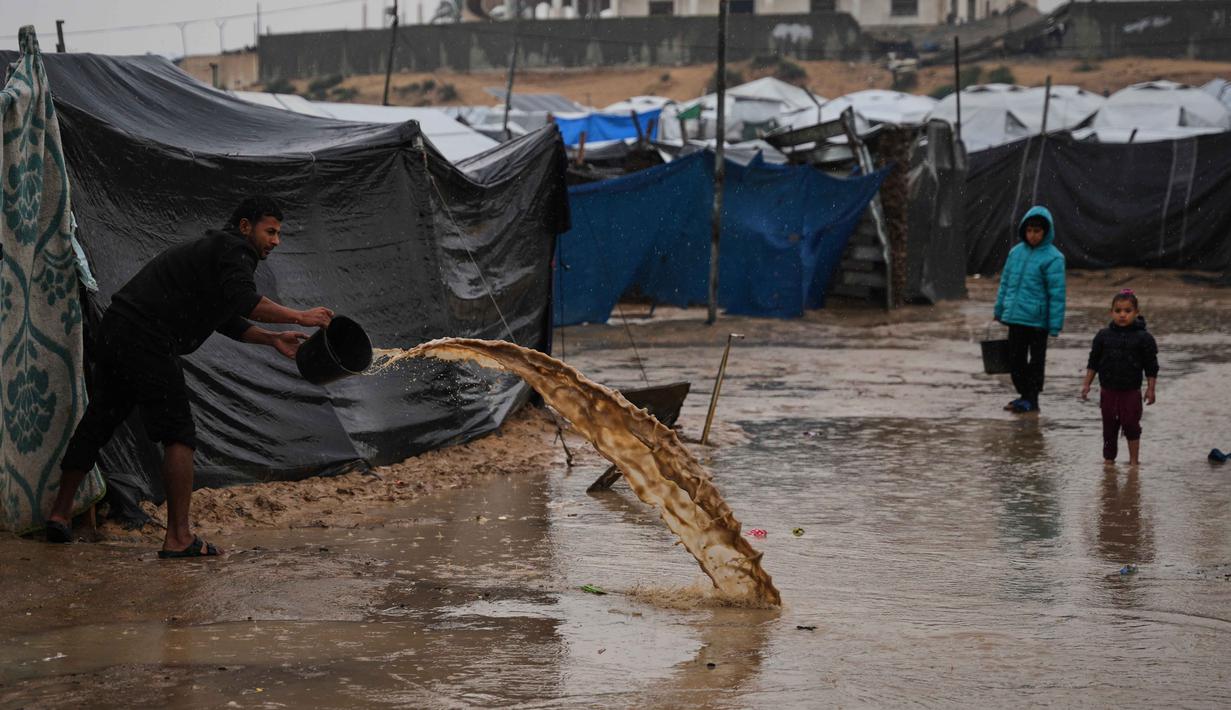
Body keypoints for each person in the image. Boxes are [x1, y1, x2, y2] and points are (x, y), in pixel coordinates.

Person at [46, 196, 334, 557]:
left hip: (118, 329)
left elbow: (227, 318)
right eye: (270, 231)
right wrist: (300, 316)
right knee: (179, 434)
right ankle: (179, 537)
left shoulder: (215, 250)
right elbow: (245, 300)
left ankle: (59, 513)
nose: (276, 241)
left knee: (101, 419)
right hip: (148, 337)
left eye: (279, 234)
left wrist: (272, 339)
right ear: (246, 227)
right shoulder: (235, 250)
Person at [993, 206, 1066, 414]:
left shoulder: (1053, 258)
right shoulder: (1016, 253)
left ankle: (1032, 400)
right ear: (1024, 231)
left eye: (1037, 231)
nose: (1033, 235)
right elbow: (1005, 283)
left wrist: (1054, 324)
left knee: (1035, 362)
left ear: (1045, 232)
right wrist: (999, 309)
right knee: (1015, 360)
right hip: (1016, 318)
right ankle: (1025, 396)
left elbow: (1057, 294)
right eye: (1029, 230)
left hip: (1037, 320)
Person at [1081, 289, 1159, 466]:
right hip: (1108, 390)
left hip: (1131, 391)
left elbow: (1151, 366)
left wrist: (1151, 389)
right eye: (1118, 311)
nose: (1122, 315)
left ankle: (1133, 462)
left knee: (1131, 425)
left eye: (1127, 311)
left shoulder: (1144, 338)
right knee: (1109, 428)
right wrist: (1086, 384)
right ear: (1111, 312)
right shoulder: (1103, 336)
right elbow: (1093, 362)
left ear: (1136, 313)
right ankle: (1109, 463)